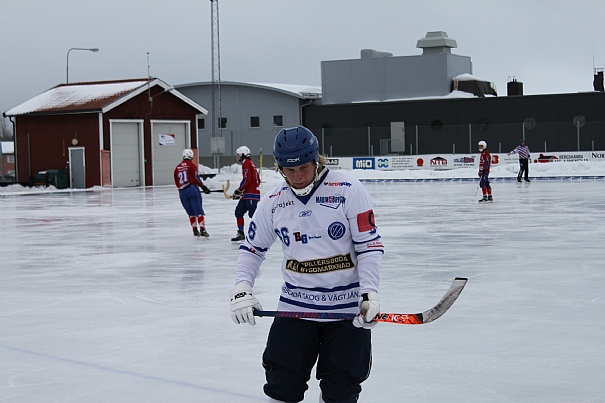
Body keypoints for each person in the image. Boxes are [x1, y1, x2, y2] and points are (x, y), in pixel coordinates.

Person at [229, 125, 384, 403]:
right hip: (295, 311)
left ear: (316, 160)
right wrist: (242, 288)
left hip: (346, 313)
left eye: (304, 167)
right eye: (289, 170)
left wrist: (369, 293)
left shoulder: (348, 189)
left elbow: (369, 245)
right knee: (282, 388)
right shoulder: (273, 202)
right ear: (280, 168)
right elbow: (252, 249)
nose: (298, 176)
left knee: (341, 393)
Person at [173, 148, 211, 237]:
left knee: (190, 212)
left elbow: (176, 181)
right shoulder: (192, 166)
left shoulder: (177, 168)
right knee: (198, 210)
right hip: (192, 189)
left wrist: (181, 189)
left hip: (182, 192)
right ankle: (202, 229)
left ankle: (194, 229)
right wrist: (203, 187)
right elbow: (196, 178)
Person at [230, 146, 261, 242]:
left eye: (239, 155)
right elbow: (257, 179)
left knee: (253, 215)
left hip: (251, 194)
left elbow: (247, 179)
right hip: (247, 194)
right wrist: (242, 191)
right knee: (238, 212)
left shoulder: (246, 163)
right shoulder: (250, 163)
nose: (238, 157)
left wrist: (240, 189)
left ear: (243, 155)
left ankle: (261, 233)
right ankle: (241, 232)